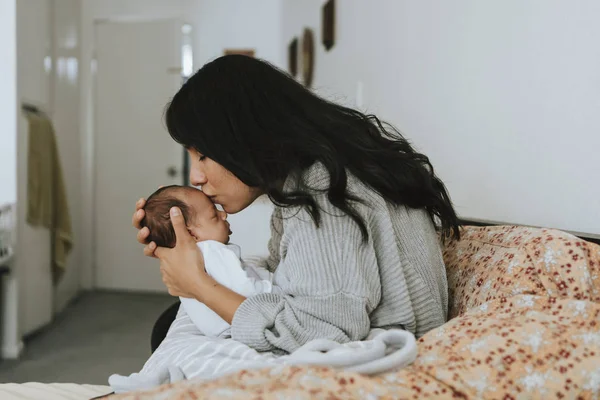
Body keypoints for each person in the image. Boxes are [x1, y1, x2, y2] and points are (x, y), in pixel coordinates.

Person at [133, 54, 460, 355]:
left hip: (387, 358)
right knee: (170, 322)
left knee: (173, 330)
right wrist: (197, 254)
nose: (196, 177)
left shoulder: (325, 190)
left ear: (245, 135)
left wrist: (198, 284)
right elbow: (297, 275)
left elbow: (322, 332)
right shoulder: (319, 177)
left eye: (202, 154)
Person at [142, 185, 274, 338]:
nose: (223, 214)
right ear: (192, 234)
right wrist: (272, 288)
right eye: (214, 215)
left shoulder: (180, 260)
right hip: (237, 322)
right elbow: (247, 289)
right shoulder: (213, 250)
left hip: (216, 328)